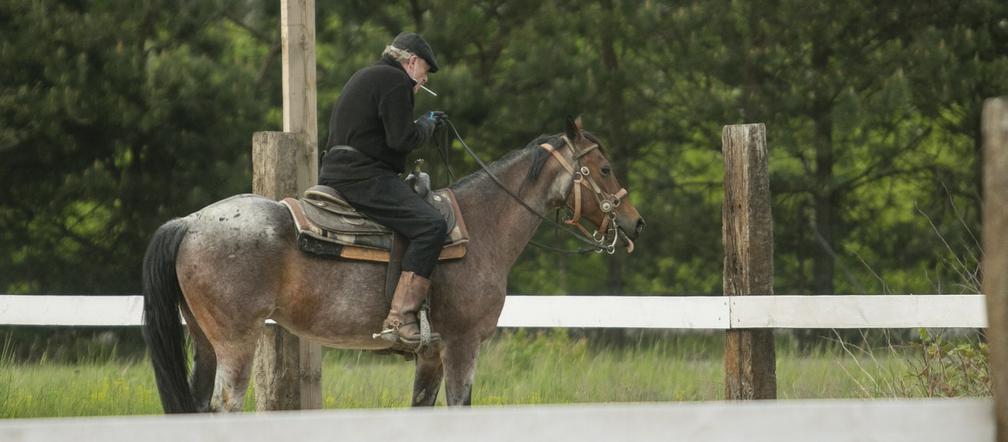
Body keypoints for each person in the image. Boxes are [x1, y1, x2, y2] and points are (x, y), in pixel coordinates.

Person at [319, 32, 447, 348]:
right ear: (412, 61)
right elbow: (401, 140)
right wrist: (427, 124)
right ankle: (401, 319)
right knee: (432, 226)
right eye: (425, 71)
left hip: (338, 170)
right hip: (364, 176)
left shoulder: (368, 75)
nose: (424, 80)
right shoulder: (396, 81)